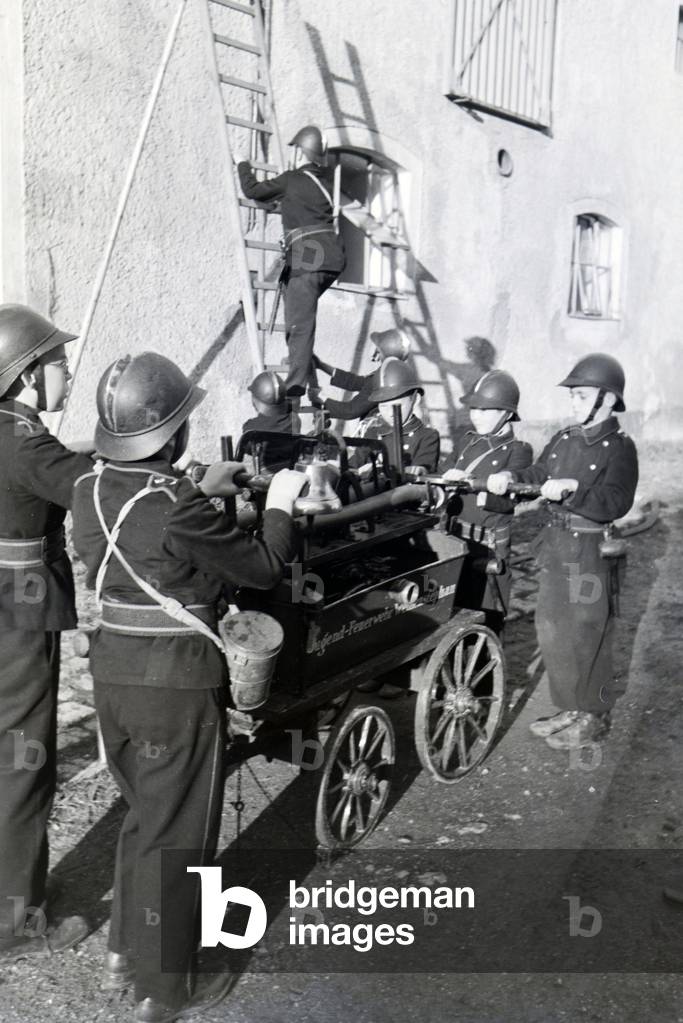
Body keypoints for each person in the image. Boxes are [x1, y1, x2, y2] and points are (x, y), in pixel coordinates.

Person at [71, 351, 306, 1021]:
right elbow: (260, 565)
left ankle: (126, 949)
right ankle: (166, 988)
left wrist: (204, 483)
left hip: (113, 679)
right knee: (181, 837)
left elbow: (146, 522)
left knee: (144, 816)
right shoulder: (179, 504)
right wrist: (280, 504)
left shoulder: (91, 490)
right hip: (175, 685)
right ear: (171, 434)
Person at [488, 354, 638, 750]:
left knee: (589, 631)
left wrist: (575, 489)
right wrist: (512, 477)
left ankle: (594, 714)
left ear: (606, 400)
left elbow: (617, 500)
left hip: (590, 549)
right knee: (552, 629)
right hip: (555, 546)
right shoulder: (565, 438)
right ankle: (569, 707)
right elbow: (539, 473)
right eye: (572, 397)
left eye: (581, 396)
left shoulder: (619, 447)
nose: (573, 404)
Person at [0, 304, 91, 960]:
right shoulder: (27, 440)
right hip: (20, 618)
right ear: (29, 374)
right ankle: (18, 922)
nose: (65, 370)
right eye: (57, 360)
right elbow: (89, 489)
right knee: (22, 764)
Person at [237, 125, 346, 402]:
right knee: (300, 316)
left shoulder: (292, 179)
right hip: (331, 257)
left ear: (301, 151)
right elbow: (299, 209)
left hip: (310, 258)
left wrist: (241, 164)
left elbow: (253, 190)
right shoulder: (324, 182)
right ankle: (305, 365)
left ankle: (296, 383)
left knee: (299, 324)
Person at [442, 370, 532, 619]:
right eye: (473, 409)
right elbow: (444, 471)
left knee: (486, 614)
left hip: (487, 547)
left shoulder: (518, 450)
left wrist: (479, 482)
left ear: (506, 413)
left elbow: (514, 495)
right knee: (451, 611)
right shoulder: (466, 442)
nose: (476, 416)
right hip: (454, 539)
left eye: (485, 410)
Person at [351, 357, 439, 474]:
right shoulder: (372, 433)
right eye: (383, 406)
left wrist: (377, 471)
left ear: (415, 399)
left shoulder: (427, 436)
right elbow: (352, 466)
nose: (390, 414)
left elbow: (421, 470)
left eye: (396, 407)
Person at [313, 325, 412, 422]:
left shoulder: (382, 379)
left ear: (380, 352)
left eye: (378, 348)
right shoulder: (389, 374)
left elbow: (350, 410)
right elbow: (357, 382)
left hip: (376, 434)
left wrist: (321, 398)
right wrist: (322, 366)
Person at [240, 369, 299, 471]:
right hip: (288, 473)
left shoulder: (250, 427)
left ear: (255, 399)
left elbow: (249, 451)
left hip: (265, 478)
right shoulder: (295, 420)